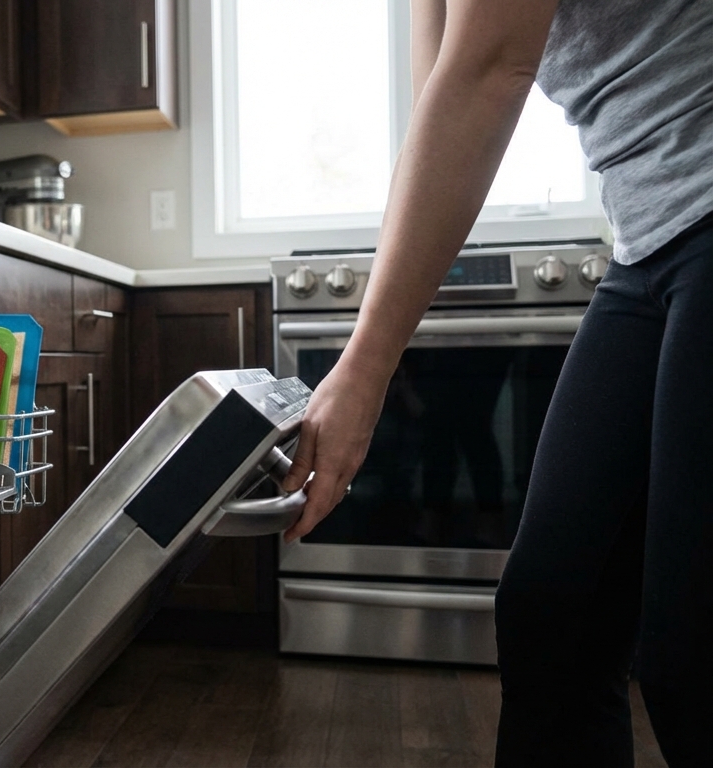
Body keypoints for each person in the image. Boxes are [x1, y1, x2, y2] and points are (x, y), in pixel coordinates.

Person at [277, 0, 713, 764]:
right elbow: (440, 94)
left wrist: (366, 365)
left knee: (693, 654)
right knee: (554, 617)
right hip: (648, 244)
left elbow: (487, 73)